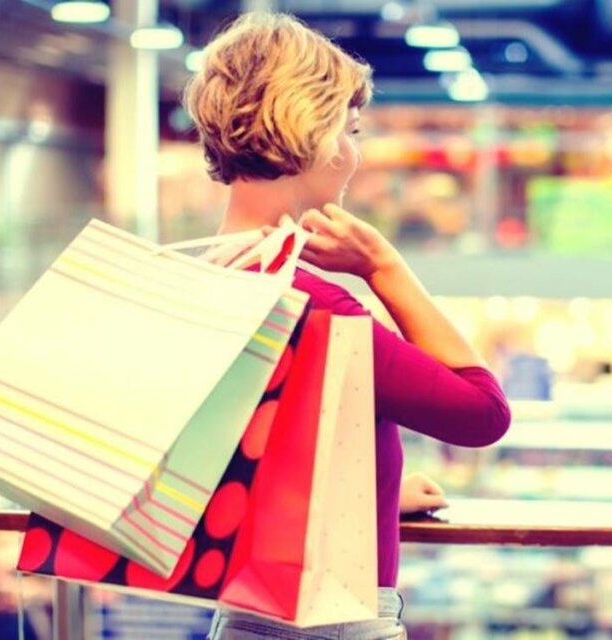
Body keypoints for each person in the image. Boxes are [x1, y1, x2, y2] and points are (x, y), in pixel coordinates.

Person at [185, 12, 511, 639]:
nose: (354, 153)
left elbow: (262, 462)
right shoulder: (310, 303)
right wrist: (385, 266)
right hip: (333, 625)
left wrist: (379, 497)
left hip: (244, 618)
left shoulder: (210, 277)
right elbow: (481, 413)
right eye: (350, 128)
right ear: (313, 134)